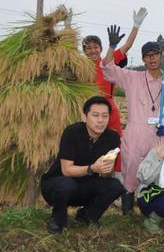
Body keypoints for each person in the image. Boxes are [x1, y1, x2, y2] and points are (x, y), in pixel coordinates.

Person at [41, 96, 124, 234]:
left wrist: (106, 170)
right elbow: (66, 170)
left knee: (115, 186)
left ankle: (87, 216)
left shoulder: (112, 138)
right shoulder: (72, 132)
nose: (100, 120)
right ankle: (58, 219)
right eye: (95, 115)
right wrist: (92, 168)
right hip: (57, 185)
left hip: (87, 185)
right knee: (65, 184)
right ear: (85, 116)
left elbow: (107, 174)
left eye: (105, 116)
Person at [81, 7, 147, 176]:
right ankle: (90, 176)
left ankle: (115, 177)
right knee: (88, 143)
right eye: (88, 48)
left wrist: (136, 25)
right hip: (88, 110)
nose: (92, 50)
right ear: (83, 51)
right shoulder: (79, 67)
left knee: (114, 143)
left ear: (101, 48)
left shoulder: (109, 61)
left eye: (95, 47)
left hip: (109, 107)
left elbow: (128, 45)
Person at [101, 36, 163, 214]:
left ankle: (152, 212)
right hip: (136, 132)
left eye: (155, 54)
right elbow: (107, 68)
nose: (151, 58)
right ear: (143, 59)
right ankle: (127, 213)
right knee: (130, 171)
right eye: (147, 55)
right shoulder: (132, 77)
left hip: (160, 135)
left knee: (157, 172)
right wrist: (112, 47)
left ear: (161, 56)